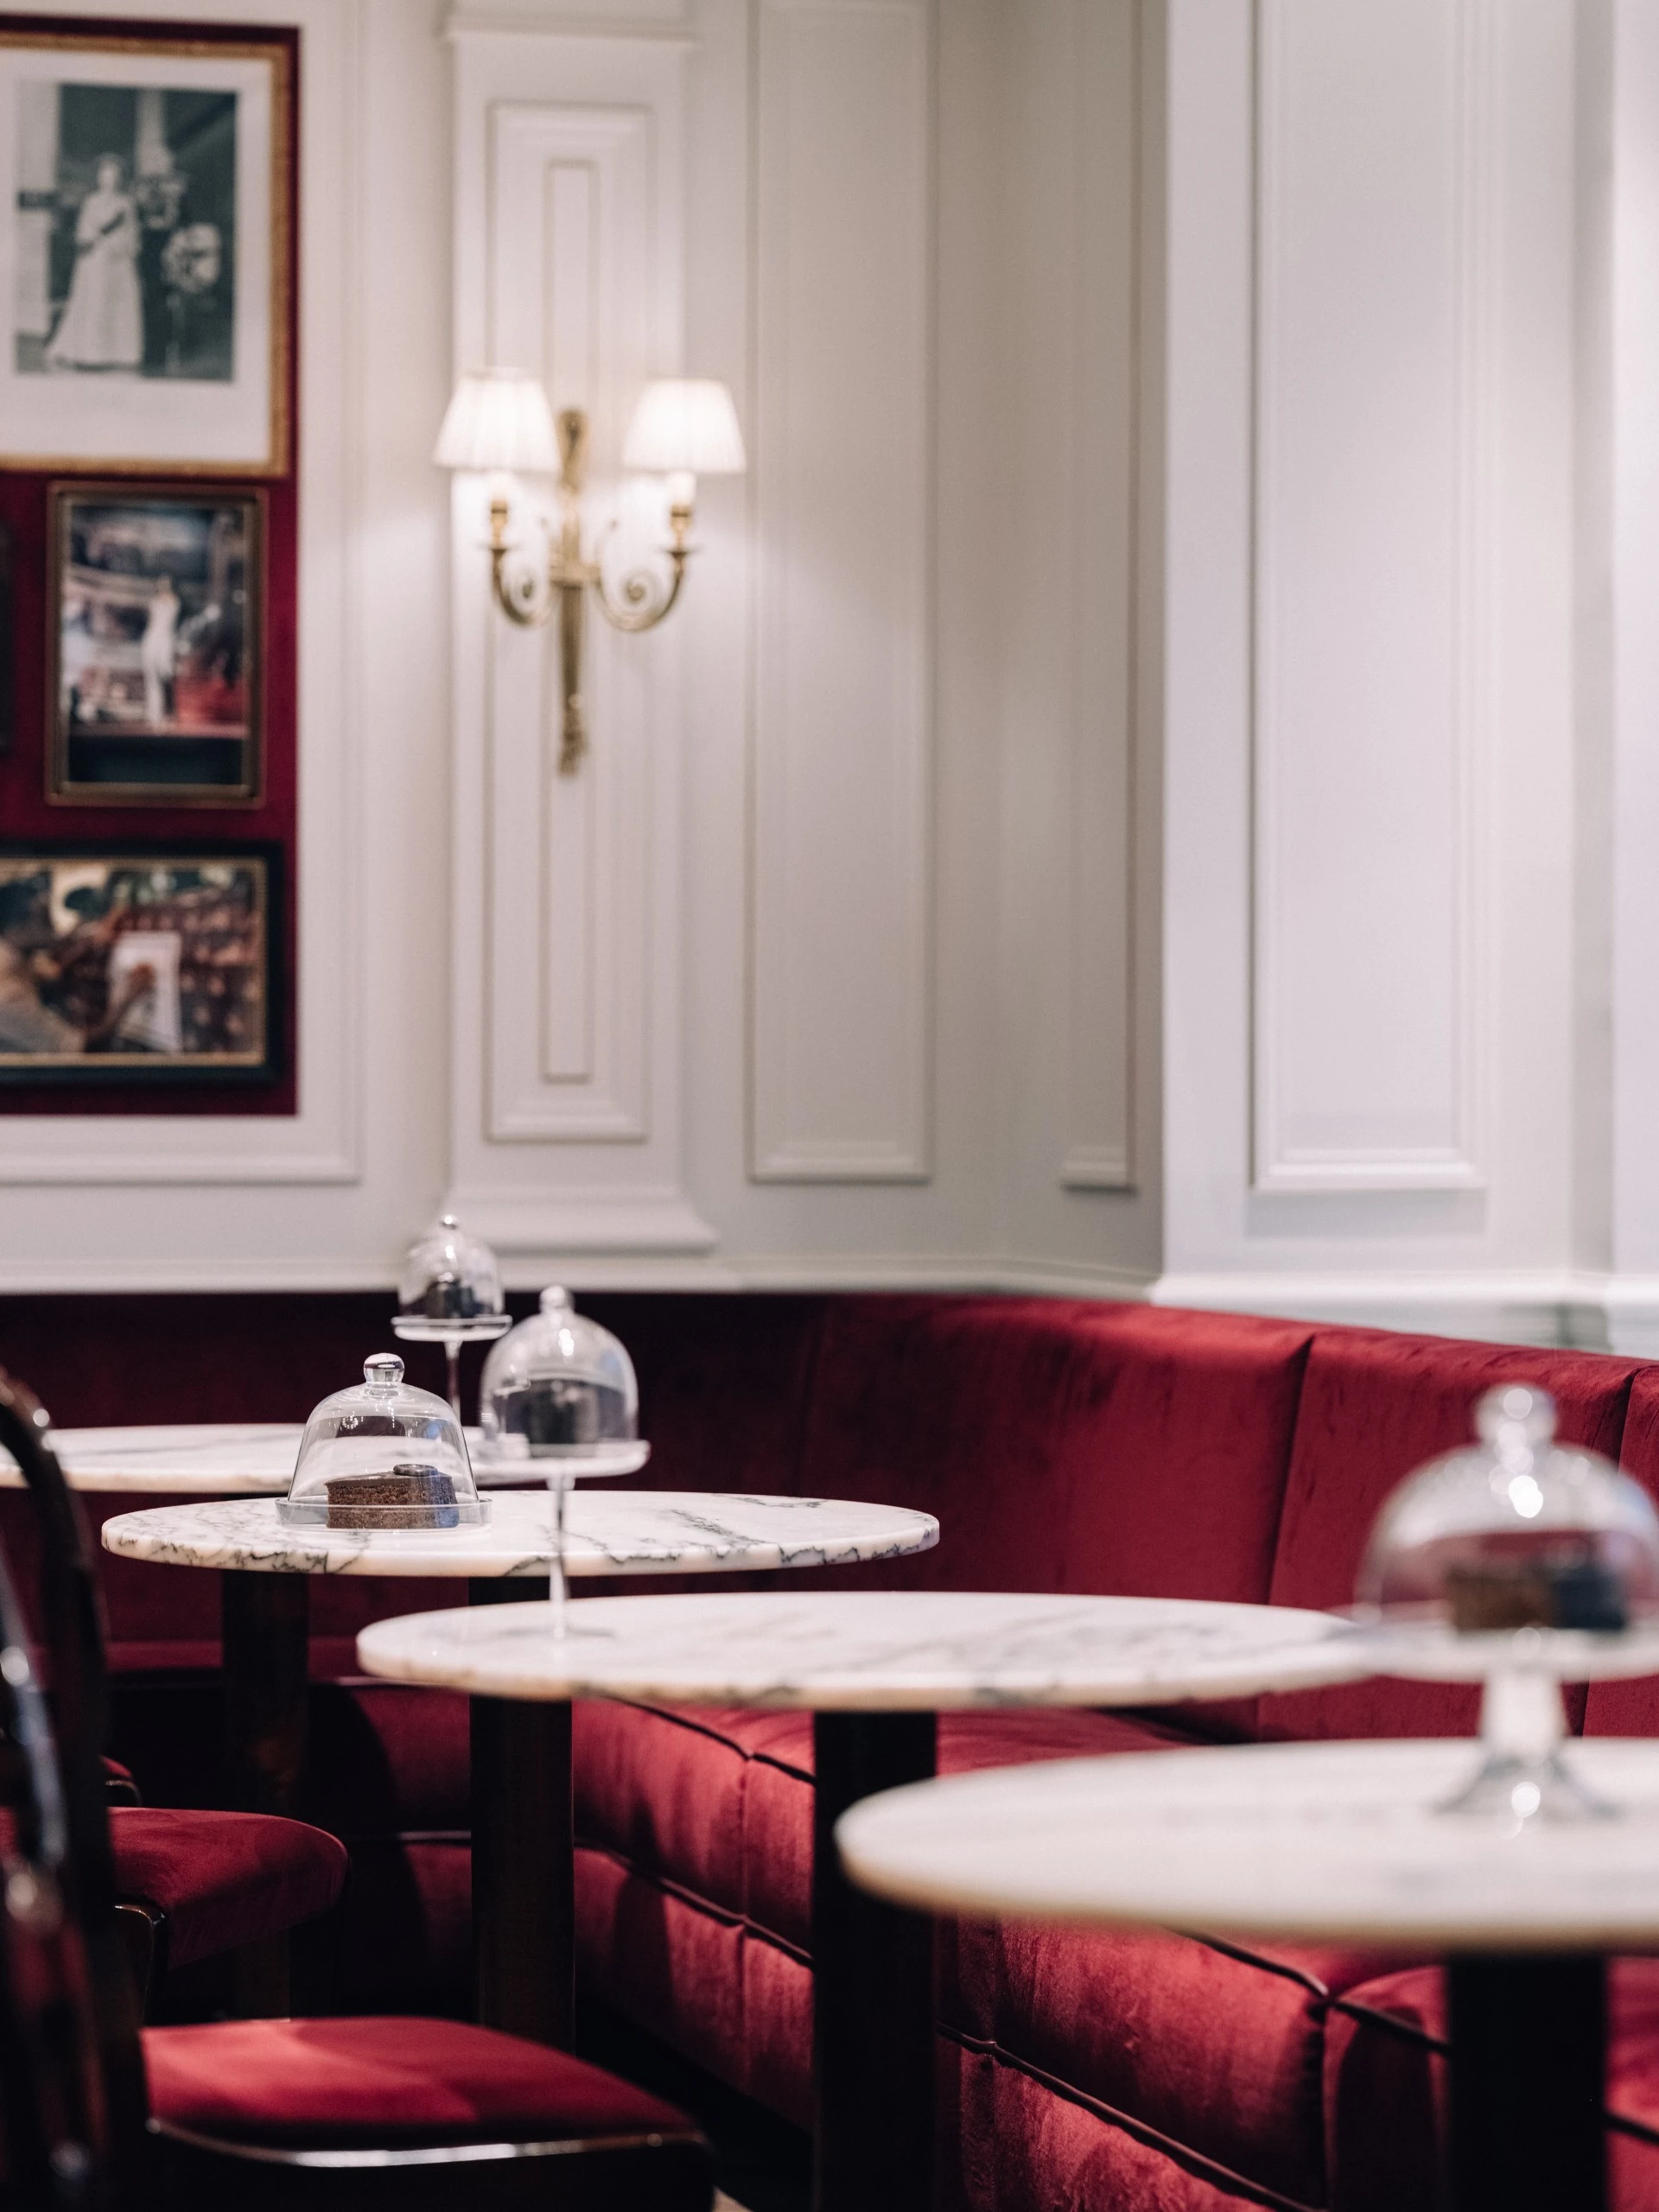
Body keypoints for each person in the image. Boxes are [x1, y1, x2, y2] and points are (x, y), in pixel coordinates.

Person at [47, 156, 143, 373]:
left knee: (118, 304)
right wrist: (96, 242)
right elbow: (84, 233)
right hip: (95, 261)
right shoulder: (91, 201)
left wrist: (115, 246)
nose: (108, 180)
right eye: (104, 175)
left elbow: (132, 236)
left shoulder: (125, 203)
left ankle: (120, 353)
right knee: (94, 302)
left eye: (113, 176)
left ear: (119, 178)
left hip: (118, 262)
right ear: (99, 177)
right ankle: (90, 354)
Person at [141, 574, 179, 728]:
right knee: (152, 676)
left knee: (166, 676)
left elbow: (169, 620)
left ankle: (168, 713)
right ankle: (154, 715)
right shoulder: (154, 601)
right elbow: (151, 622)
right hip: (152, 639)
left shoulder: (173, 601)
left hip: (165, 640)